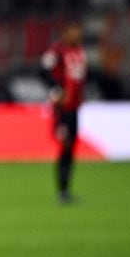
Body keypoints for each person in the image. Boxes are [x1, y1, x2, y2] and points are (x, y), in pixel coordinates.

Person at [40, 21, 88, 203]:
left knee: (71, 146)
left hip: (75, 107)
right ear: (66, 32)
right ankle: (62, 190)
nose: (76, 35)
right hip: (62, 108)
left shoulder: (80, 51)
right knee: (65, 145)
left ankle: (66, 190)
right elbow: (42, 71)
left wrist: (82, 93)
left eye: (78, 31)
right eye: (73, 31)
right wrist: (57, 91)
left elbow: (80, 77)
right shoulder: (57, 51)